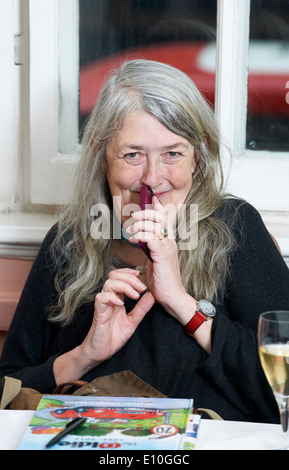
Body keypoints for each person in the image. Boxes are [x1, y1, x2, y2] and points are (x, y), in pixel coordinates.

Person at [1, 59, 289, 423]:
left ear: (198, 156)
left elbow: (284, 392)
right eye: (132, 154)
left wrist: (183, 305)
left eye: (173, 153)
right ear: (100, 153)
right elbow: (7, 388)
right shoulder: (68, 242)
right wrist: (85, 355)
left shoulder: (236, 228)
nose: (152, 178)